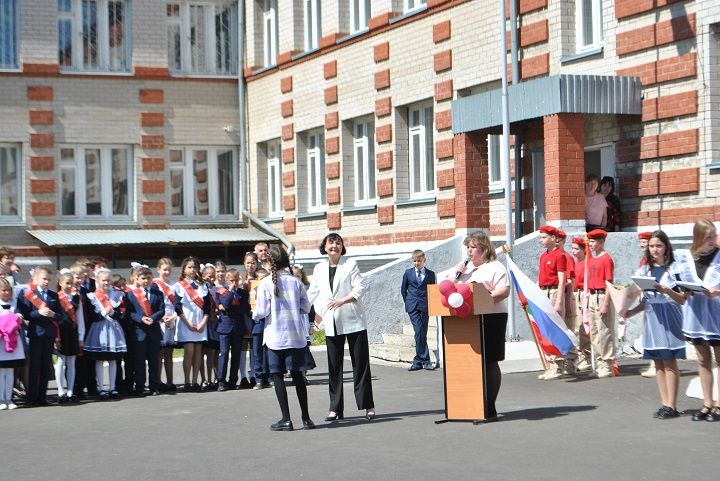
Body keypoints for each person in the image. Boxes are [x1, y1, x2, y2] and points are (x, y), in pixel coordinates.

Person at [307, 233, 376, 421]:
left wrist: (342, 301)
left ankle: (368, 405)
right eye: (331, 242)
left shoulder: (350, 264)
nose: (335, 246)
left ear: (342, 246)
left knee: (360, 365)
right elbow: (312, 292)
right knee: (334, 366)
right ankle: (335, 408)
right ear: (325, 246)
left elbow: (360, 287)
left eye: (338, 242)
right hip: (331, 322)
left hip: (353, 319)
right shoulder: (319, 268)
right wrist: (300, 308)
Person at [622, 231, 685, 419]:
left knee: (669, 361)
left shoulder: (675, 269)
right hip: (652, 318)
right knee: (657, 361)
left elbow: (683, 299)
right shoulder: (645, 270)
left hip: (670, 316)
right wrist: (631, 311)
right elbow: (646, 300)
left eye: (658, 246)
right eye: (651, 246)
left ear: (666, 247)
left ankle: (672, 405)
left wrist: (666, 290)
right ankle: (664, 403)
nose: (654, 249)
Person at [254, 245, 315, 431]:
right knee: (298, 377)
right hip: (295, 336)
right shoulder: (296, 282)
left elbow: (262, 312)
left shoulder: (265, 283)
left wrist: (254, 312)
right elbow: (306, 307)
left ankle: (286, 419)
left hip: (275, 336)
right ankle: (306, 418)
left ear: (270, 263)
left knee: (278, 376)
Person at [452, 232, 510, 420]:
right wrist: (457, 275)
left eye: (473, 247)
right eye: (467, 247)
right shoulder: (465, 270)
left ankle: (489, 407)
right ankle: (471, 406)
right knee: (471, 362)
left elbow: (504, 291)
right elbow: (452, 292)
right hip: (469, 319)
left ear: (484, 249)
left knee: (489, 361)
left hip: (492, 317)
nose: (469, 251)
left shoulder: (495, 266)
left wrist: (483, 299)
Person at [671, 219, 720, 421]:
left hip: (716, 313)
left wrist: (717, 291)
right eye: (707, 236)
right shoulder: (686, 258)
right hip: (696, 314)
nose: (712, 240)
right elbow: (676, 282)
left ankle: (719, 403)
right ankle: (707, 403)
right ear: (698, 237)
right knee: (702, 360)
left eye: (713, 235)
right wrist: (685, 289)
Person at [17, 266, 62, 406]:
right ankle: (31, 398)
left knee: (45, 366)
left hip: (49, 334)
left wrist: (53, 315)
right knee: (34, 366)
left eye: (49, 279)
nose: (47, 282)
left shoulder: (54, 296)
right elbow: (25, 315)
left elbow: (61, 316)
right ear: (36, 279)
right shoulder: (28, 295)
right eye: (44, 279)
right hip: (36, 333)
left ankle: (42, 397)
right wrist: (38, 313)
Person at [82, 269, 127, 399]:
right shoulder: (92, 296)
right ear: (97, 281)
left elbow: (121, 315)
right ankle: (101, 388)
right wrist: (104, 312)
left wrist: (112, 312)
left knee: (113, 359)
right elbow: (92, 317)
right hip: (99, 330)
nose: (106, 283)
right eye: (103, 280)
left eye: (108, 280)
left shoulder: (117, 295)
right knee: (100, 359)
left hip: (113, 329)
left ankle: (112, 388)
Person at [173, 257, 211, 392]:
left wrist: (203, 322)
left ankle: (195, 381)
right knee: (189, 351)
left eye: (194, 267)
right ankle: (187, 381)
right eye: (189, 267)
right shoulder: (179, 286)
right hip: (186, 322)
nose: (192, 270)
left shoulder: (203, 285)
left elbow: (207, 307)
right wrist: (187, 323)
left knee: (198, 353)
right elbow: (177, 307)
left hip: (201, 323)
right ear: (184, 269)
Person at [126, 267, 165, 397]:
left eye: (148, 278)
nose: (146, 281)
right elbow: (130, 313)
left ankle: (154, 386)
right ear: (137, 279)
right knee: (139, 361)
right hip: (139, 332)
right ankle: (140, 386)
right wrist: (141, 318)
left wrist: (153, 318)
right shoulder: (131, 295)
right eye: (143, 278)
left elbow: (161, 310)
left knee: (154, 361)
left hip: (153, 331)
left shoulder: (157, 293)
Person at [536, 226, 567, 380]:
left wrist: (559, 301)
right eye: (541, 237)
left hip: (554, 292)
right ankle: (551, 363)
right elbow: (540, 278)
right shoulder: (543, 256)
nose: (541, 240)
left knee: (556, 328)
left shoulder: (559, 255)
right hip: (543, 291)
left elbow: (562, 280)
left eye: (544, 237)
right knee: (546, 329)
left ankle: (559, 365)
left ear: (553, 238)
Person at [586, 229, 616, 378]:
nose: (590, 244)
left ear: (601, 242)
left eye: (593, 241)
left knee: (604, 331)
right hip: (592, 295)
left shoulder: (606, 259)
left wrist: (605, 303)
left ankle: (607, 363)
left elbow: (609, 283)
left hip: (602, 295)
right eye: (589, 241)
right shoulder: (591, 258)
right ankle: (599, 362)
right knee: (595, 332)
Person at [401, 249, 437, 371]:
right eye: (414, 261)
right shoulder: (408, 273)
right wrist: (408, 302)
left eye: (419, 261)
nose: (417, 263)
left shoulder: (430, 274)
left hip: (425, 306)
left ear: (424, 261)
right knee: (419, 330)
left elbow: (432, 291)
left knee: (422, 332)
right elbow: (403, 289)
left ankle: (417, 360)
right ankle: (426, 360)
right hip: (412, 306)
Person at [214, 268, 249, 391]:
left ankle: (233, 381)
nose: (234, 282)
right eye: (231, 280)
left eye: (236, 279)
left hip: (238, 327)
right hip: (225, 327)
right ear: (227, 280)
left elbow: (243, 309)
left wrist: (227, 308)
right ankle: (221, 381)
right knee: (224, 354)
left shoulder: (243, 293)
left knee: (236, 355)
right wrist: (230, 291)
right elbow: (226, 304)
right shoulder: (222, 292)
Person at [55, 270, 85, 404]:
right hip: (61, 333)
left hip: (73, 333)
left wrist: (81, 336)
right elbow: (54, 320)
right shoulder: (56, 297)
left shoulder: (76, 298)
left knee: (71, 362)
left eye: (71, 283)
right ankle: (61, 391)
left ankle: (70, 391)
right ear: (60, 283)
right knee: (61, 362)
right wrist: (56, 337)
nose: (69, 286)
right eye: (66, 283)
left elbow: (80, 318)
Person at [153, 258, 177, 391]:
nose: (167, 272)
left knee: (169, 352)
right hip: (159, 320)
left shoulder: (174, 284)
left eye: (169, 270)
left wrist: (173, 317)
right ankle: (157, 381)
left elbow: (178, 304)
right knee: (159, 353)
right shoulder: (154, 284)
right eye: (164, 270)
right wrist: (161, 317)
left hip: (172, 320)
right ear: (158, 270)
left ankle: (170, 381)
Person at [0, 278, 24, 410]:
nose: (6, 293)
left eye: (8, 290)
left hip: (13, 342)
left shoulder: (15, 303)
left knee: (10, 370)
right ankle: (1, 399)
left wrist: (17, 319)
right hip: (1, 343)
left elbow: (19, 317)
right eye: (3, 290)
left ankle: (8, 398)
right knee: (1, 371)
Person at [291, 265, 317, 384]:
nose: (296, 279)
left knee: (305, 349)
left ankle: (303, 375)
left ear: (302, 277)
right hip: (292, 324)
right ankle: (295, 374)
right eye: (293, 276)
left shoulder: (306, 291)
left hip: (304, 322)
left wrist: (312, 324)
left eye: (298, 276)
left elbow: (311, 308)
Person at [570, 237, 591, 372]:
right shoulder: (575, 263)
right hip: (575, 293)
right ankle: (579, 354)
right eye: (572, 248)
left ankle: (587, 355)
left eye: (577, 249)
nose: (573, 251)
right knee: (576, 327)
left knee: (584, 327)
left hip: (583, 294)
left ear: (584, 250)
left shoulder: (586, 264)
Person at [250, 268, 271, 390]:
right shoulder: (253, 291)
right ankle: (259, 379)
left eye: (265, 278)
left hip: (269, 324)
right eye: (261, 279)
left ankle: (269, 378)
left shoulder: (271, 290)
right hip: (257, 324)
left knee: (268, 352)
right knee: (257, 353)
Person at [201, 264, 220, 391]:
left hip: (215, 324)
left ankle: (216, 377)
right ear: (203, 277)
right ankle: (205, 379)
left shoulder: (218, 289)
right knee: (203, 352)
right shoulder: (201, 289)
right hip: (203, 323)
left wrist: (216, 312)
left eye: (213, 277)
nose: (211, 279)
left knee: (214, 352)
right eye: (208, 277)